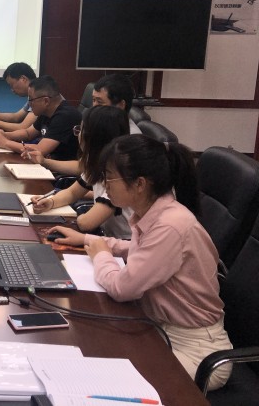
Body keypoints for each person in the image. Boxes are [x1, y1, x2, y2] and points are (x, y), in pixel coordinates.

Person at [49, 134, 233, 390]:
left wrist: (101, 255)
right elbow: (142, 252)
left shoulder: (170, 225)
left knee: (102, 381)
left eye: (109, 177)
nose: (104, 184)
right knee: (86, 348)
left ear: (139, 184)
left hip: (196, 352)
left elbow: (122, 288)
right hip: (160, 329)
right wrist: (89, 240)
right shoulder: (154, 213)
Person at [29, 106, 131, 239]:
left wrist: (75, 218)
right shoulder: (96, 163)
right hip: (106, 235)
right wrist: (50, 202)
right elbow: (72, 193)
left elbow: (86, 224)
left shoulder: (117, 176)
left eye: (80, 130)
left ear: (93, 138)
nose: (78, 134)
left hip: (124, 243)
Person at [0, 75, 81, 161]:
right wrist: (5, 135)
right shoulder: (46, 111)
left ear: (46, 101)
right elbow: (28, 133)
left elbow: (40, 150)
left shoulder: (65, 116)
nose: (29, 104)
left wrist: (5, 142)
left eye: (31, 99)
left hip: (59, 169)